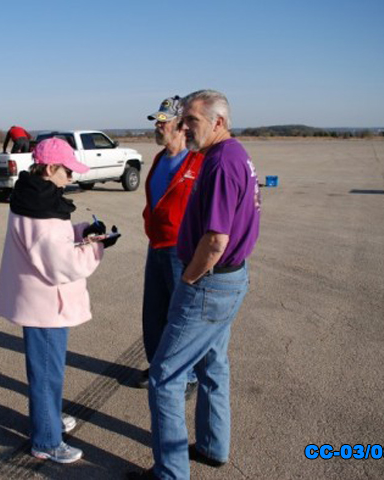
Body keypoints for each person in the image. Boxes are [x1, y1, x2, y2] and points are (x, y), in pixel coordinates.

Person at [132, 90, 261, 479]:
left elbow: (216, 240)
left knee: (165, 377)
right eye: (183, 120)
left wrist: (189, 279)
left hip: (208, 282)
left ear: (218, 122)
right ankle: (211, 446)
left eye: (192, 120)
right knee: (212, 362)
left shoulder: (219, 162)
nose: (184, 127)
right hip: (228, 278)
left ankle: (170, 473)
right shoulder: (235, 154)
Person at [0, 138, 119, 464]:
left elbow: (54, 240)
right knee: (47, 375)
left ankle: (47, 419)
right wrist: (96, 248)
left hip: (41, 301)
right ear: (50, 168)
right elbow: (61, 264)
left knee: (47, 372)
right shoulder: (40, 209)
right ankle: (47, 440)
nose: (71, 177)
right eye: (67, 171)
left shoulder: (35, 197)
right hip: (46, 306)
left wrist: (82, 232)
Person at [137, 96, 205, 393]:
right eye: (157, 121)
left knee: (180, 317)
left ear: (181, 126)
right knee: (153, 313)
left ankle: (186, 375)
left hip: (181, 249)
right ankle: (158, 365)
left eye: (164, 122)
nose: (158, 126)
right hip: (156, 245)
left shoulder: (197, 161)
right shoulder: (159, 158)